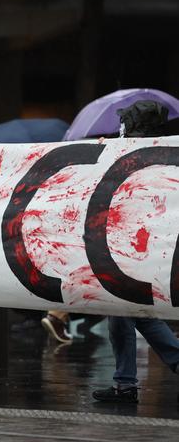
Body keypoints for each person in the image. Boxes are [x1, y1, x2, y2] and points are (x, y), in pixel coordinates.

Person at [92, 99, 179, 403]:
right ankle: (126, 382)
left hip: (135, 246)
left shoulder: (140, 156)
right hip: (139, 245)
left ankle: (125, 384)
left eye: (125, 123)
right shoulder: (156, 152)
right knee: (135, 312)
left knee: (124, 310)